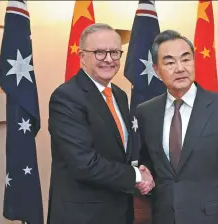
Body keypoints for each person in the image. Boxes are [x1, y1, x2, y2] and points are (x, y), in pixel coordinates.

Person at [135, 29, 218, 224]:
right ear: (156, 70)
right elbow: (150, 167)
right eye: (170, 62)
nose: (180, 68)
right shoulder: (146, 112)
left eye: (186, 59)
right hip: (164, 218)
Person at [47, 23, 154, 224]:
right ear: (82, 57)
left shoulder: (119, 96)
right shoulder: (66, 97)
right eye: (99, 52)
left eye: (114, 52)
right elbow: (84, 164)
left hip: (118, 212)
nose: (108, 59)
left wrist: (141, 168)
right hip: (82, 216)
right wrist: (136, 176)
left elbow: (120, 151)